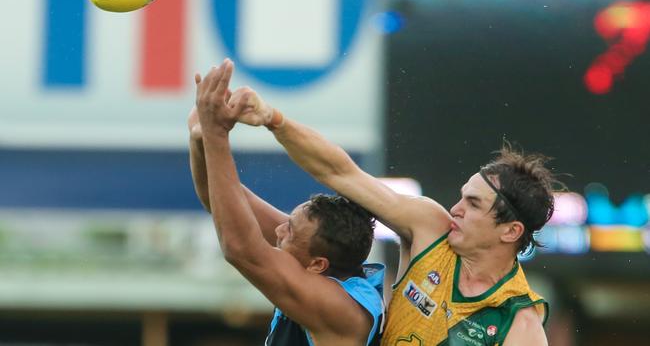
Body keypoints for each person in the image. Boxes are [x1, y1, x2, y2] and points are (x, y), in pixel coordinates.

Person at [228, 84, 559, 345]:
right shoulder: (432, 228)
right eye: (462, 197)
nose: (456, 209)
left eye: (473, 204)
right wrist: (274, 119)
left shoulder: (520, 325)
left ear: (511, 231)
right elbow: (340, 173)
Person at [190, 59, 385, 346]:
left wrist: (217, 134)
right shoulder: (317, 257)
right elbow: (215, 198)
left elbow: (240, 249)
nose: (279, 230)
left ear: (318, 264)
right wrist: (201, 137)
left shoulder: (341, 310)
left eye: (290, 231)